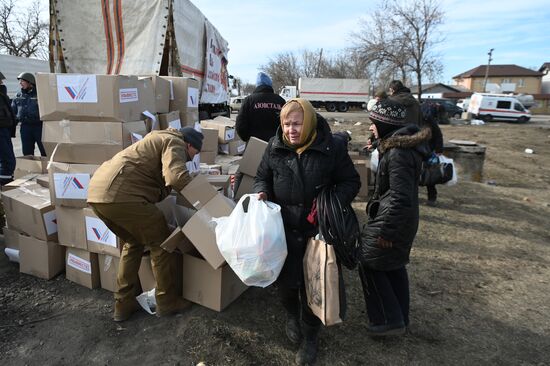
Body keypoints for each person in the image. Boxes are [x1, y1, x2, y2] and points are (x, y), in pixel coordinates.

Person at [254, 98, 360, 365]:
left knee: (314, 285)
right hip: (283, 231)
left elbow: (351, 181)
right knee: (287, 283)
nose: (291, 129)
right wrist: (261, 191)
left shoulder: (331, 146)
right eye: (287, 123)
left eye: (297, 123)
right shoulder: (274, 146)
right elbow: (261, 176)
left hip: (317, 232)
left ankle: (310, 335)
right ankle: (291, 316)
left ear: (309, 122)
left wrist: (330, 202)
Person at [87, 127, 204, 322]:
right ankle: (167, 302)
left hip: (98, 196)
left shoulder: (155, 140)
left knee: (133, 244)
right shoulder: (174, 141)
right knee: (163, 242)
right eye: (196, 152)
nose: (193, 157)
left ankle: (123, 304)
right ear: (189, 144)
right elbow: (175, 176)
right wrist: (205, 200)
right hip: (122, 197)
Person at [358, 99, 431, 337]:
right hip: (401, 219)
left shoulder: (398, 153)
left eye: (373, 122)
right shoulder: (399, 147)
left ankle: (388, 320)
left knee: (370, 262)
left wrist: (387, 232)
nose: (370, 127)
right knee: (393, 266)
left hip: (394, 220)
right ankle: (401, 316)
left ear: (384, 123)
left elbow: (399, 198)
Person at [236, 71, 286, 143]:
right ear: (270, 85)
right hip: (275, 144)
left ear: (257, 85)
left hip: (254, 144)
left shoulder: (249, 100)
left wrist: (247, 139)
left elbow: (240, 125)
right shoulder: (280, 101)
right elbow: (286, 123)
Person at [11, 72, 46, 157]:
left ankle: (47, 168)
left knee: (44, 151)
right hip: (25, 127)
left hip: (39, 127)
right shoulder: (18, 96)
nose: (20, 83)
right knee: (27, 152)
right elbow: (12, 112)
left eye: (22, 81)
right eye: (20, 81)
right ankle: (30, 169)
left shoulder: (40, 95)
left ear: (30, 82)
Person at [420, 102, 445, 205]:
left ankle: (432, 198)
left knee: (430, 176)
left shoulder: (428, 120)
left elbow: (438, 135)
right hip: (419, 149)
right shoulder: (416, 118)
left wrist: (438, 150)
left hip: (428, 150)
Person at [0, 71, 16, 185]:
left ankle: (6, 182)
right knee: (8, 161)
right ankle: (5, 184)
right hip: (1, 130)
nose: (2, 83)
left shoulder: (2, 95)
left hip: (4, 130)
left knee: (8, 160)